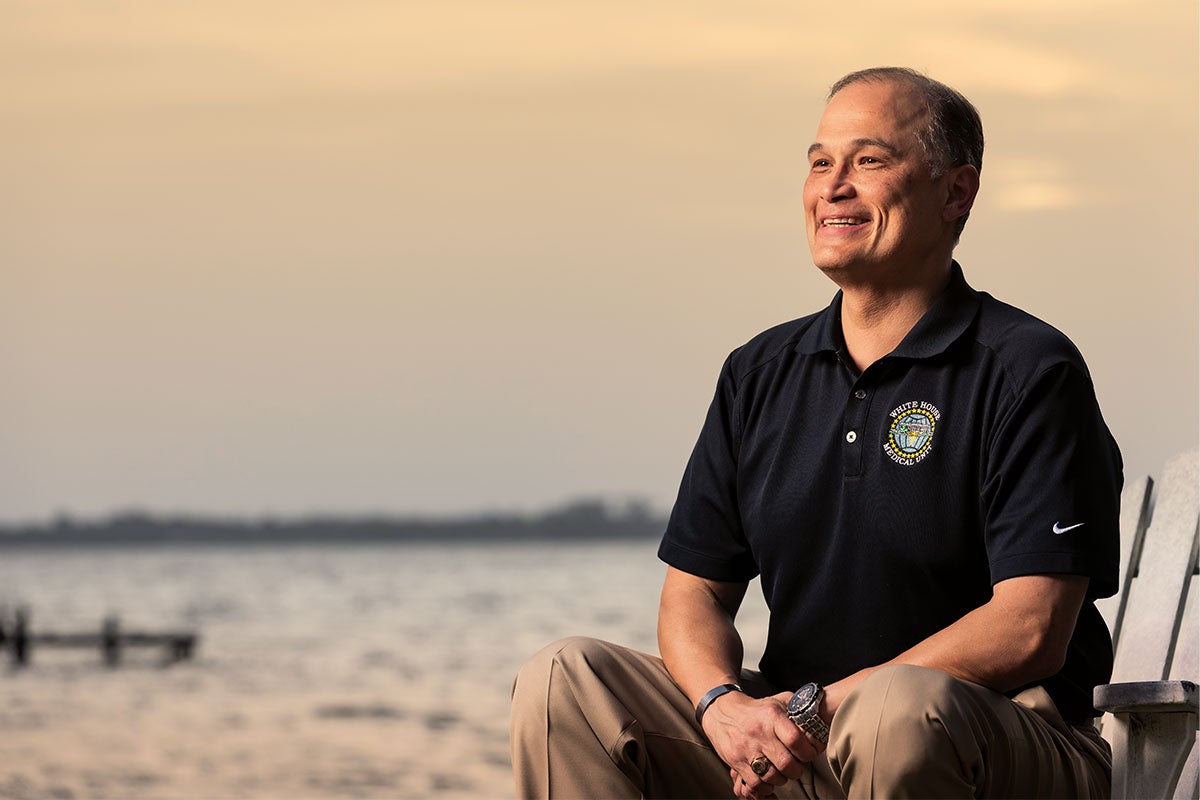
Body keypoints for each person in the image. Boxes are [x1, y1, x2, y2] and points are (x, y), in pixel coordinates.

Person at [510, 66, 1121, 799]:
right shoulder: (760, 372)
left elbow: (1031, 627)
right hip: (796, 744)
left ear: (956, 192)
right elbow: (693, 596)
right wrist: (723, 707)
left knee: (898, 706)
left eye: (868, 161)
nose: (833, 186)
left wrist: (817, 709)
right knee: (566, 680)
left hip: (1003, 739)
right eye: (820, 163)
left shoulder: (1026, 368)